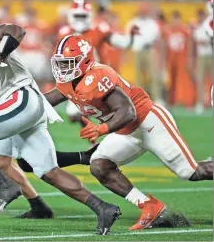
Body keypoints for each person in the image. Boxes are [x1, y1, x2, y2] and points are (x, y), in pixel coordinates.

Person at [0, 0, 121, 234]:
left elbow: (16, 30)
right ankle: (102, 207)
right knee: (49, 172)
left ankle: (5, 187)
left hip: (19, 98)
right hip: (27, 104)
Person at [42, 35, 213, 230]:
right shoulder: (67, 83)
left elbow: (128, 112)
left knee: (190, 171)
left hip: (148, 122)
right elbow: (45, 101)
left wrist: (101, 129)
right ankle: (150, 206)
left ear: (86, 61)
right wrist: (13, 104)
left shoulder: (98, 76)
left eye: (69, 63)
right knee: (99, 165)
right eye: (61, 63)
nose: (63, 69)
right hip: (126, 132)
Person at [58, 0, 139, 128]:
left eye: (83, 16)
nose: (80, 19)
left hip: (98, 76)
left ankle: (115, 131)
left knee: (107, 110)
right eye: (77, 15)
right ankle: (97, 135)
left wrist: (130, 37)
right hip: (77, 78)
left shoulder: (99, 29)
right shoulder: (65, 32)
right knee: (74, 114)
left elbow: (121, 42)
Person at [126, 2, 162, 105]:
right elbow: (128, 38)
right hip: (136, 51)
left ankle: (157, 98)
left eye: (145, 11)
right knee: (138, 77)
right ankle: (139, 100)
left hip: (149, 50)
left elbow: (156, 39)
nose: (143, 13)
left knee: (153, 75)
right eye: (142, 11)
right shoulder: (132, 22)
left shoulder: (152, 23)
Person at [163, 11, 195, 108]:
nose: (175, 21)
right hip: (172, 58)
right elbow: (165, 46)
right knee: (171, 80)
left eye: (176, 19)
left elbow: (189, 43)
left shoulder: (184, 30)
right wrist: (165, 59)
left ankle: (184, 100)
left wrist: (189, 57)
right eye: (173, 19)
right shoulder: (168, 30)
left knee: (182, 80)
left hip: (181, 58)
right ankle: (171, 100)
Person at [193, 0, 213, 114]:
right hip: (202, 56)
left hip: (211, 55)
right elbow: (199, 40)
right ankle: (200, 103)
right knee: (200, 80)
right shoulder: (198, 27)